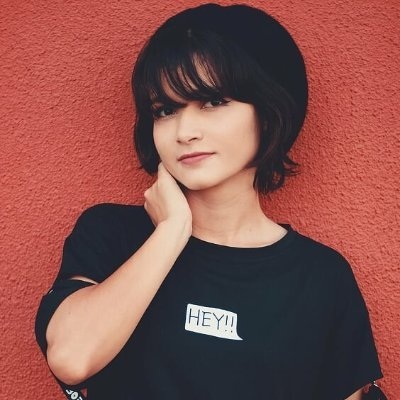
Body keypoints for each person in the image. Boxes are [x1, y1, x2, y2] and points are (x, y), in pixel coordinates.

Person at [35, 3, 384, 399]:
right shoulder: (112, 235)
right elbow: (72, 358)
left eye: (213, 102)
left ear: (268, 113)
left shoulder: (321, 277)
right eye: (165, 110)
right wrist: (171, 232)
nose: (184, 131)